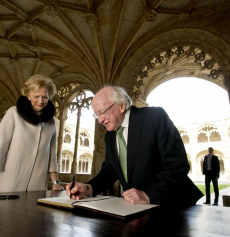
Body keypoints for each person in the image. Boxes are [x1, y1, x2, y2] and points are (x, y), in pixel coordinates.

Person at [66, 86, 203, 207]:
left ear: (122, 105)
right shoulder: (110, 135)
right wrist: (89, 188)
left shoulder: (154, 118)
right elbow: (110, 171)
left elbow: (177, 165)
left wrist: (147, 195)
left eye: (103, 112)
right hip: (138, 210)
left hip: (174, 206)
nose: (100, 120)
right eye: (96, 115)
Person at [0, 74, 63, 194]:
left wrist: (55, 183)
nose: (41, 101)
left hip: (37, 185)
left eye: (45, 97)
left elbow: (52, 153)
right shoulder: (13, 113)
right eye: (36, 96)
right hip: (8, 182)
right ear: (28, 95)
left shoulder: (51, 122)